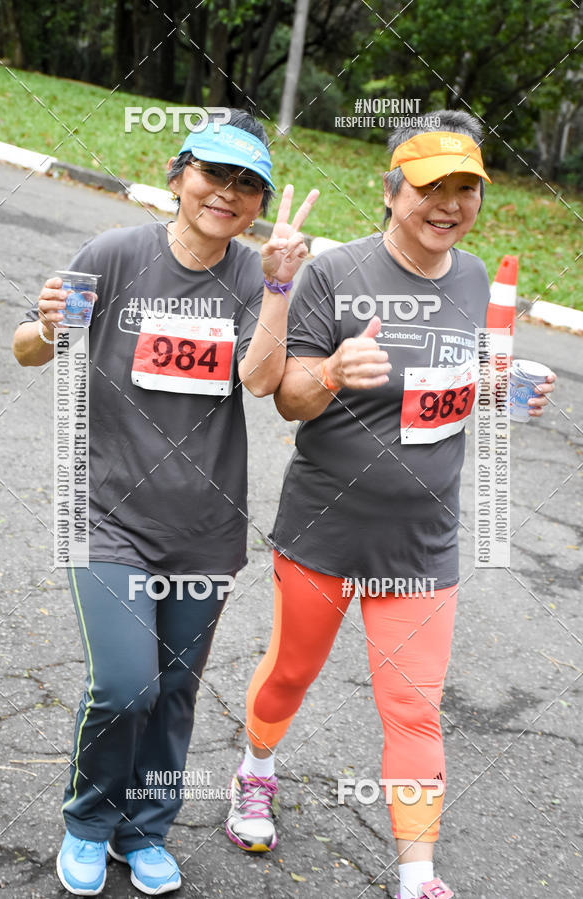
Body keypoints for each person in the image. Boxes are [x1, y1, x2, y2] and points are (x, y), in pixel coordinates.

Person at [225, 110, 556, 899]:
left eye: (464, 189)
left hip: (422, 540)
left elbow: (458, 384)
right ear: (390, 188)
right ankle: (255, 770)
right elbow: (288, 401)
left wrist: (508, 388)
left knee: (414, 707)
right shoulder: (336, 275)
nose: (447, 204)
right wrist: (334, 369)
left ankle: (418, 874)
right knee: (290, 675)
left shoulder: (474, 279)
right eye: (429, 186)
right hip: (325, 527)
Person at [12, 108, 318, 896]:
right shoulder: (117, 253)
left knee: (175, 689)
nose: (228, 194)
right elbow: (28, 345)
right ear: (180, 174)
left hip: (204, 526)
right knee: (125, 683)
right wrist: (46, 326)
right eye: (214, 174)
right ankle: (87, 820)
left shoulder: (253, 275)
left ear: (260, 203)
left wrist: (281, 284)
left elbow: (258, 378)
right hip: (107, 512)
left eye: (248, 185)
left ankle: (141, 829)